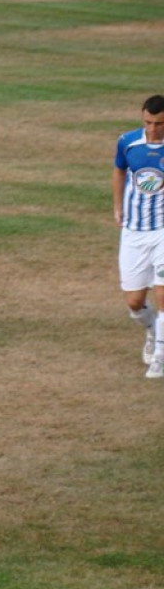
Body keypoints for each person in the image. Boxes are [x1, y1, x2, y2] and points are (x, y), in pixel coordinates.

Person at [112, 94, 164, 379]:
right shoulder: (128, 142)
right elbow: (119, 171)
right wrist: (117, 206)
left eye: (159, 124)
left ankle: (160, 357)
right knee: (134, 302)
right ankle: (151, 329)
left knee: (163, 294)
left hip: (163, 231)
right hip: (134, 231)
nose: (153, 129)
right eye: (148, 123)